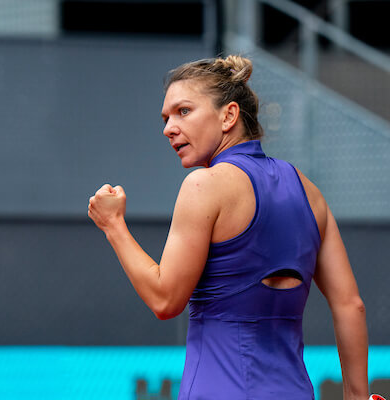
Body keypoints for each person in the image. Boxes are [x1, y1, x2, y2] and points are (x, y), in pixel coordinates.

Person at [87, 55, 372, 399]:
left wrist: (113, 225)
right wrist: (357, 396)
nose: (168, 128)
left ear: (229, 116)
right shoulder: (310, 192)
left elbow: (165, 300)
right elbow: (350, 305)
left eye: (183, 111)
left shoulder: (203, 185)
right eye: (166, 118)